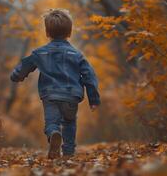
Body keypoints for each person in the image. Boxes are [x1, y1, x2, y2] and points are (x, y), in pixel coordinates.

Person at [10, 9, 100, 159]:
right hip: (71, 95)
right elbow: (89, 76)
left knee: (52, 123)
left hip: (50, 95)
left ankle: (53, 134)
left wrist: (16, 76)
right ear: (69, 32)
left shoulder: (40, 53)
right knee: (69, 123)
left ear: (47, 33)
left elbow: (24, 66)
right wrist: (94, 99)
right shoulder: (77, 55)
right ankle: (69, 152)